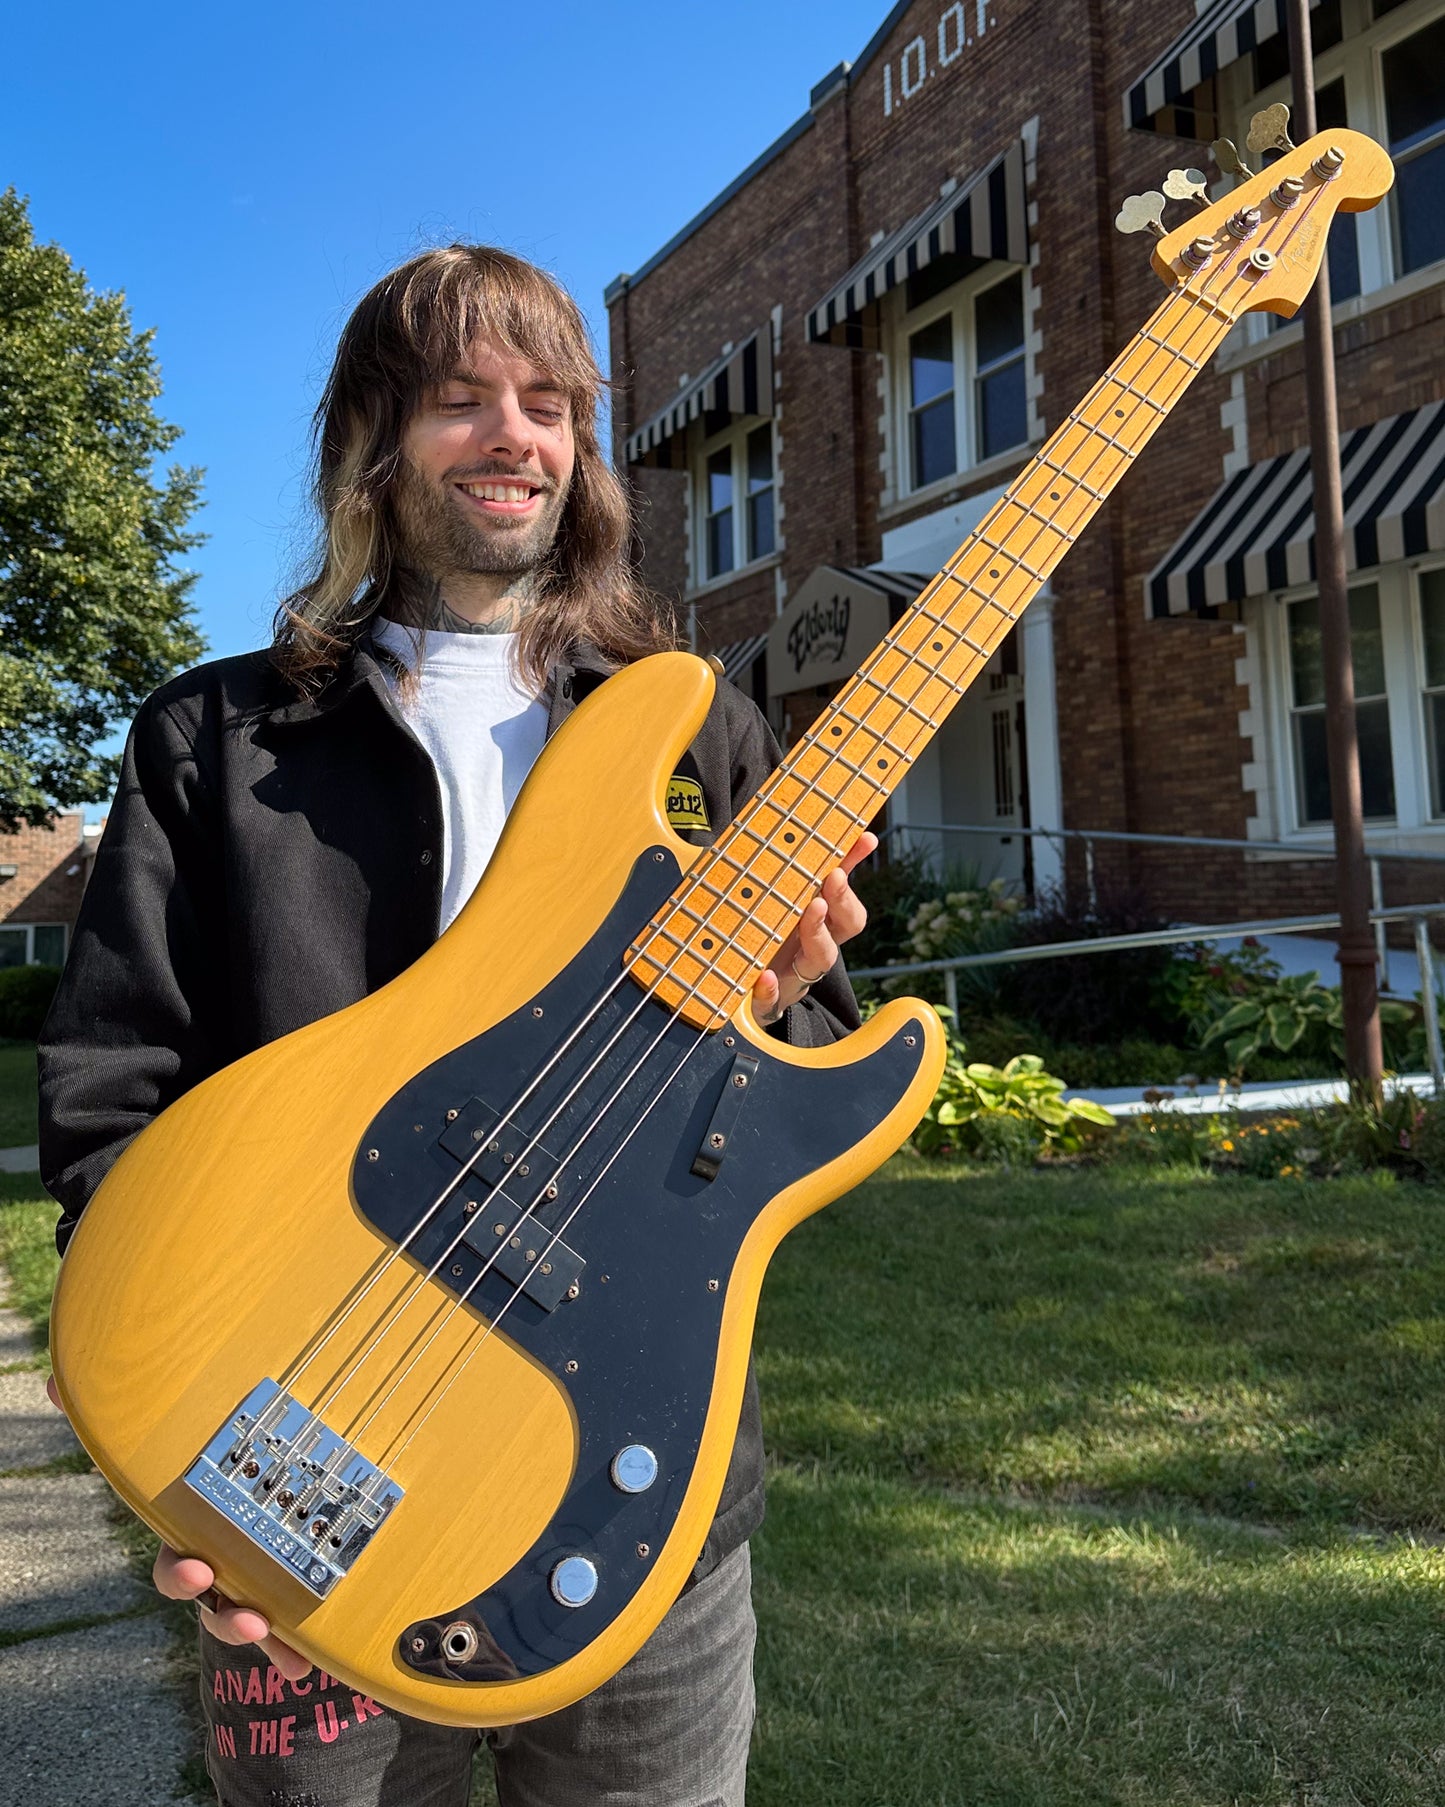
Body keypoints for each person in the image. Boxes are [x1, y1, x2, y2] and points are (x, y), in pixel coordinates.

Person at [38, 245, 874, 1807]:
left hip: (640, 1480)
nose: (515, 436)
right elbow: (112, 1103)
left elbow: (795, 1073)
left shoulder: (703, 724)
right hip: (316, 1449)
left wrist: (782, 993)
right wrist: (195, 1440)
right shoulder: (214, 742)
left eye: (550, 403)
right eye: (461, 400)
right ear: (370, 439)